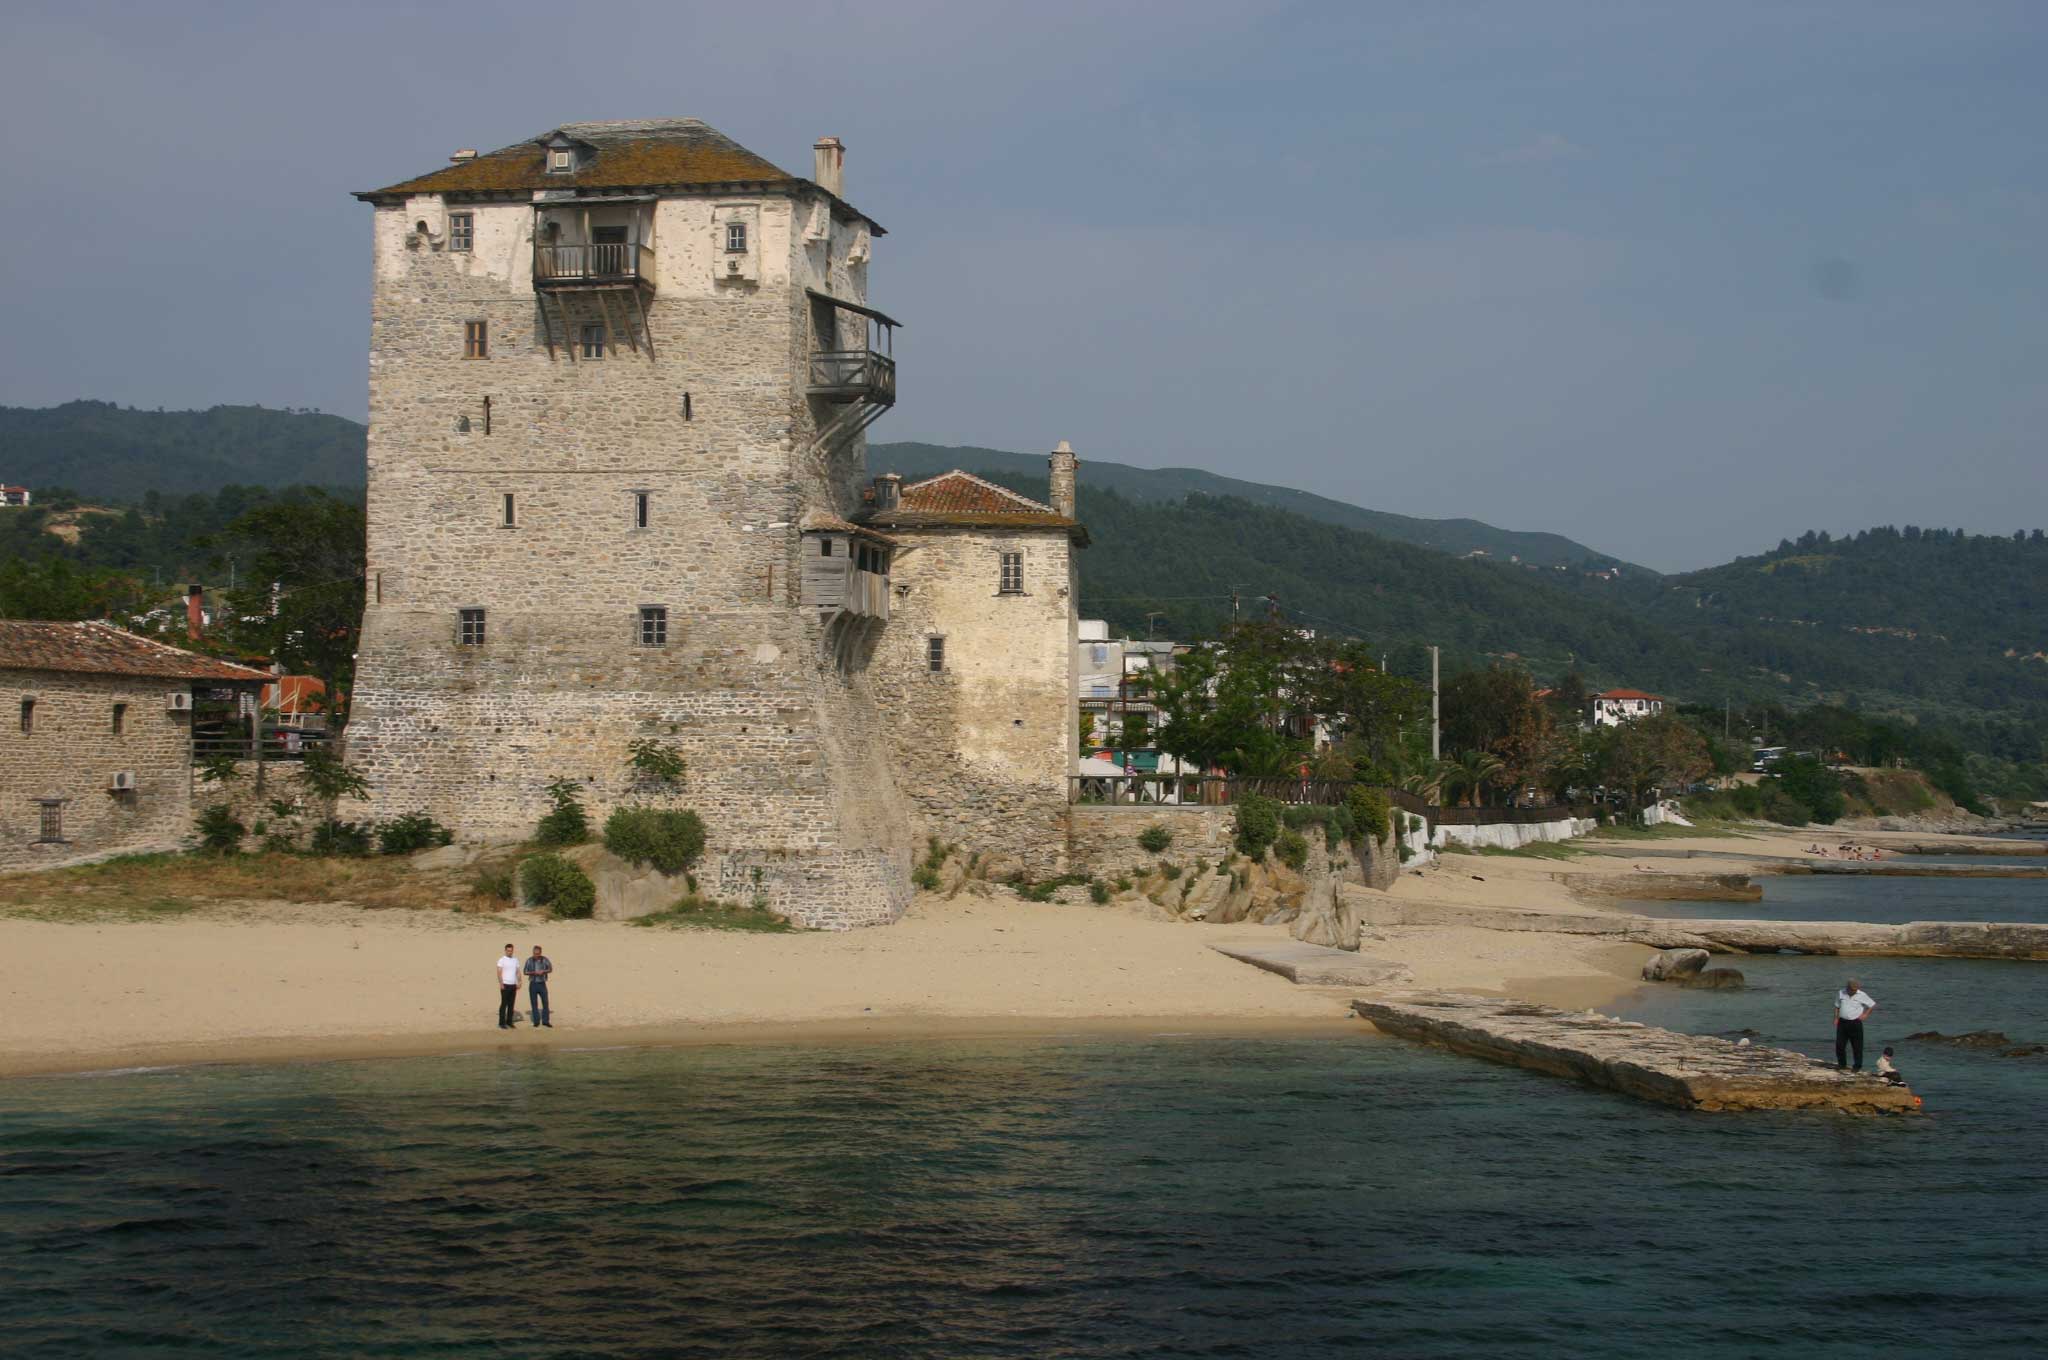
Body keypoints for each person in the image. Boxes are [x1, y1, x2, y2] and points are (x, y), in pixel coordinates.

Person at [1834, 978, 1877, 1071]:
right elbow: (1837, 1006)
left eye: (1855, 990)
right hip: (1842, 1022)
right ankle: (1842, 1064)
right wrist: (1836, 1018)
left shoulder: (1862, 995)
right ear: (1847, 988)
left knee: (1857, 1046)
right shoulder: (1841, 993)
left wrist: (1865, 1015)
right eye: (1852, 990)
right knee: (1839, 1045)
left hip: (1855, 1023)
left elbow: (1872, 1005)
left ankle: (1857, 1066)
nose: (1854, 991)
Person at [524, 944, 554, 1029]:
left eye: (537, 954)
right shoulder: (529, 960)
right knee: (534, 1003)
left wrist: (543, 971)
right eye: (534, 953)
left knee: (545, 1003)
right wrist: (535, 973)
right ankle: (536, 1021)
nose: (536, 955)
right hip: (533, 983)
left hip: (542, 983)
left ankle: (546, 1021)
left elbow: (550, 969)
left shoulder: (545, 960)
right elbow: (525, 971)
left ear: (540, 953)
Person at [496, 944, 521, 1030]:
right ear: (505, 950)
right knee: (504, 1004)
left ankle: (509, 1021)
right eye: (508, 950)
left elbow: (517, 972)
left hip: (513, 985)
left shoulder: (515, 960)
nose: (510, 952)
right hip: (505, 984)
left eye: (511, 950)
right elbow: (499, 972)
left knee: (511, 1004)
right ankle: (501, 1023)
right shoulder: (502, 960)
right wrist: (501, 983)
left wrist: (519, 981)